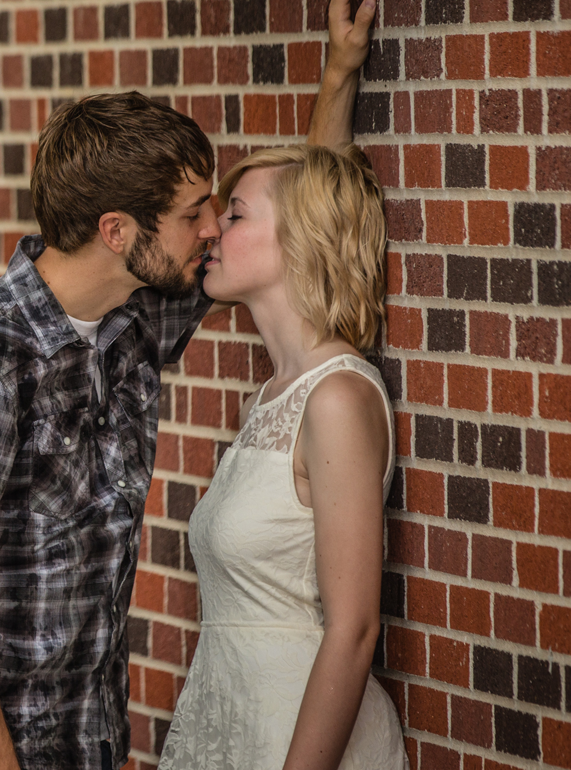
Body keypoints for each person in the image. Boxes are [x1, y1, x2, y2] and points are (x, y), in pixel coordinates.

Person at [0, 0, 381, 770]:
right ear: (117, 231)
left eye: (217, 208)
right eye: (192, 212)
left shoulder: (133, 322)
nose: (211, 228)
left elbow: (296, 235)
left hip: (84, 742)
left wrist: (339, 75)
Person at [155, 142, 406, 770]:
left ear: (301, 240)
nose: (211, 229)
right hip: (231, 727)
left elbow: (353, 631)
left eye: (235, 214)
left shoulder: (338, 398)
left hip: (301, 739)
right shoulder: (266, 400)